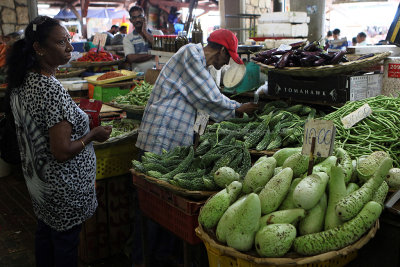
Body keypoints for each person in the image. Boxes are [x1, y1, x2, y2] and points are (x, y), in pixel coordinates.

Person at [4, 16, 112, 267]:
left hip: (41, 185)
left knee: (45, 236)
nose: (70, 48)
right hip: (64, 190)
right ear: (39, 48)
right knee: (64, 246)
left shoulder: (23, 81)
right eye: (61, 42)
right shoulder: (49, 89)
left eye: (69, 40)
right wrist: (92, 135)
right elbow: (62, 151)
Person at [136, 28, 259, 155]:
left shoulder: (204, 69)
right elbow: (210, 98)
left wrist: (197, 139)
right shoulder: (190, 53)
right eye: (228, 56)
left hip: (174, 133)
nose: (227, 62)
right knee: (148, 169)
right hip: (162, 130)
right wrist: (238, 108)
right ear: (222, 50)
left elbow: (203, 107)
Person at [123, 6, 155, 72]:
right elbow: (131, 58)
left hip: (159, 75)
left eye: (140, 16)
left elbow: (162, 47)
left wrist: (145, 32)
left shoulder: (157, 33)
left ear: (144, 18)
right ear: (131, 20)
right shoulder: (128, 38)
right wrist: (154, 54)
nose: (137, 20)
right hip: (140, 76)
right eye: (134, 18)